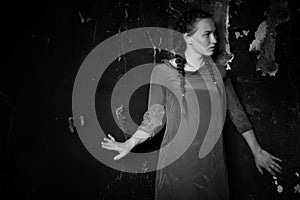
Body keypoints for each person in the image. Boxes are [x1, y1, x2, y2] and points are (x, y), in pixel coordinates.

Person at [101, 9, 282, 200]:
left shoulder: (219, 72)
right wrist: (130, 143)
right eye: (206, 35)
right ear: (188, 38)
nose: (214, 40)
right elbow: (155, 117)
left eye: (215, 34)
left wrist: (257, 151)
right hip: (177, 168)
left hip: (213, 166)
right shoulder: (162, 72)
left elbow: (237, 113)